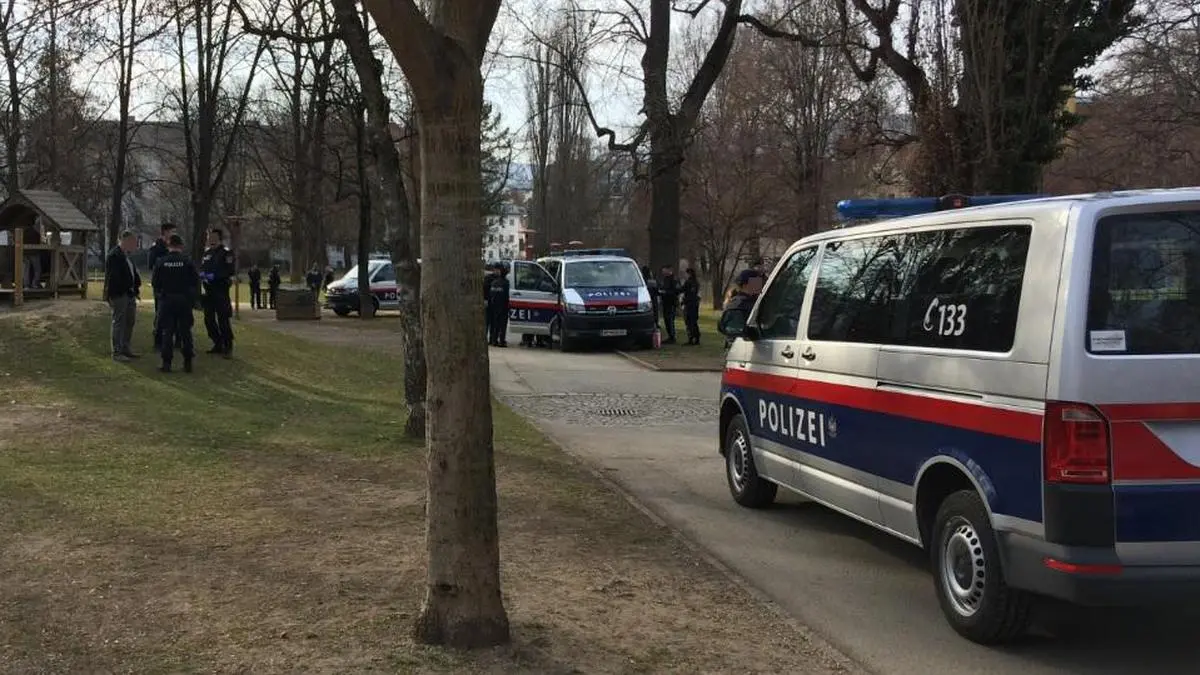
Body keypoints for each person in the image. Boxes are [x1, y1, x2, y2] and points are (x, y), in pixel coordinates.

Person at [152, 234, 200, 373]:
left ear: (169, 246)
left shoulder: (161, 261)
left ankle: (166, 363)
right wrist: (192, 299)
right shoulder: (187, 262)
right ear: (181, 246)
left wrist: (161, 295)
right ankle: (188, 362)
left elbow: (155, 283)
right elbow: (195, 282)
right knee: (185, 332)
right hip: (183, 300)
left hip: (167, 300)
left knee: (167, 332)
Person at [104, 229, 141, 362]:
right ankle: (117, 351)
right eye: (132, 242)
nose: (134, 245)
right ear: (125, 240)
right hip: (119, 294)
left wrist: (135, 289)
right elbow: (114, 278)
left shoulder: (126, 256)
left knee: (130, 321)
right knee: (119, 321)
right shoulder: (115, 255)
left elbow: (132, 274)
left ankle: (126, 347)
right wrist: (122, 290)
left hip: (129, 294)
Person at [200, 227, 235, 357]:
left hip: (220, 290)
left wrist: (215, 276)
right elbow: (203, 267)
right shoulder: (207, 253)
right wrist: (202, 274)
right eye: (209, 237)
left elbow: (229, 271)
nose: (210, 239)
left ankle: (228, 345)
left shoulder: (226, 253)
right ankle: (217, 343)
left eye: (213, 237)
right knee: (208, 319)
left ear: (219, 238)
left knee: (223, 320)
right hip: (208, 291)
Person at [147, 222, 176, 349]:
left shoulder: (173, 246)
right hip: (161, 284)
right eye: (172, 232)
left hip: (173, 283)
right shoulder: (157, 247)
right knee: (160, 310)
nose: (173, 234)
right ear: (165, 232)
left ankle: (171, 337)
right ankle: (158, 338)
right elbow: (151, 264)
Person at [487, 263, 510, 347]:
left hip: (494, 306)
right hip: (503, 306)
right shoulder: (506, 283)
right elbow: (506, 296)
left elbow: (490, 295)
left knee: (495, 324)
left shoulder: (494, 282)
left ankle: (494, 340)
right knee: (502, 325)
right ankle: (502, 341)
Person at [658, 265, 680, 344]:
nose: (663, 272)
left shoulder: (674, 279)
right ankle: (670, 336)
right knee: (666, 320)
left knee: (670, 320)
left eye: (664, 270)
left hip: (671, 303)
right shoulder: (665, 279)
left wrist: (666, 292)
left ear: (669, 270)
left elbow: (676, 291)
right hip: (665, 302)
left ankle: (672, 337)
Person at [682, 267, 701, 346]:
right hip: (694, 304)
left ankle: (691, 338)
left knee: (689, 322)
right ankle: (696, 338)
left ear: (689, 274)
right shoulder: (696, 282)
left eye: (686, 274)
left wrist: (684, 301)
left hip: (690, 304)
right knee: (694, 321)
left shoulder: (689, 282)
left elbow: (686, 292)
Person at [483, 263, 498, 342]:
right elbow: (484, 289)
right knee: (487, 321)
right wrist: (485, 299)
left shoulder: (499, 279)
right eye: (496, 269)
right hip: (488, 301)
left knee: (493, 322)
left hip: (494, 303)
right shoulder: (488, 278)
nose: (497, 271)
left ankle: (492, 338)